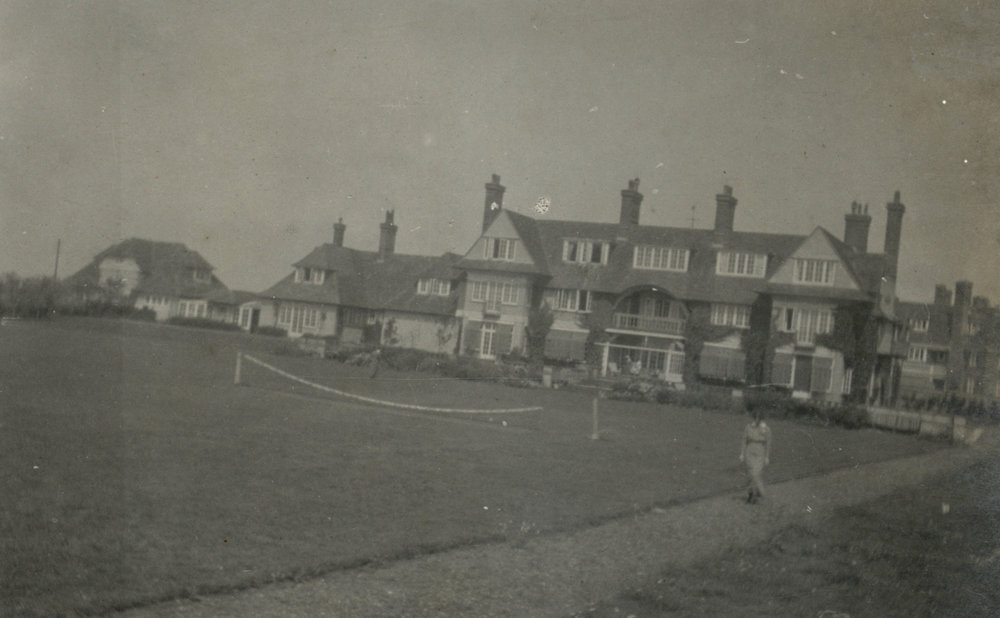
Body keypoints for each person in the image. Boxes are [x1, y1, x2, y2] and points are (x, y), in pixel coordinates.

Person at [739, 404, 772, 504]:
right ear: (753, 418)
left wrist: (767, 456)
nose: (757, 420)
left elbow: (768, 443)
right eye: (755, 418)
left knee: (756, 474)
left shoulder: (766, 429)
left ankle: (759, 493)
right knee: (751, 474)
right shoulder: (748, 427)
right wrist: (742, 453)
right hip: (749, 451)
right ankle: (751, 494)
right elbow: (744, 440)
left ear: (761, 418)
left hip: (760, 452)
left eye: (759, 418)